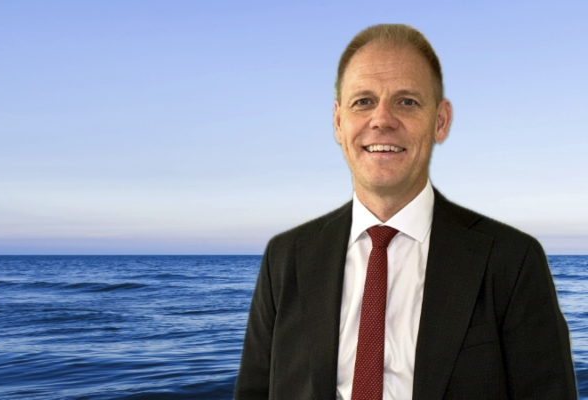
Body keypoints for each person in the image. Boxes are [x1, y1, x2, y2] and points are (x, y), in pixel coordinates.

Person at [234, 24, 577, 400]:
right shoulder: (285, 258)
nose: (382, 119)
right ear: (338, 122)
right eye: (363, 101)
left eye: (407, 102)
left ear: (440, 121)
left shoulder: (511, 261)